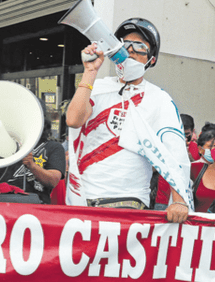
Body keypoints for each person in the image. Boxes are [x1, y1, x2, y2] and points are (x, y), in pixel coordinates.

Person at [65, 18, 190, 223]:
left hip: (129, 203)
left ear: (152, 59)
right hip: (83, 200)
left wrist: (180, 200)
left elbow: (175, 152)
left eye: (140, 47)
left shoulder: (159, 99)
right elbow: (73, 120)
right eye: (124, 45)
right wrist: (89, 72)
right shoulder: (98, 87)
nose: (130, 51)